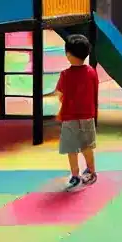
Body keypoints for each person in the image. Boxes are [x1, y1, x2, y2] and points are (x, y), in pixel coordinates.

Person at [46, 35, 100, 188]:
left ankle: (75, 175)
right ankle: (91, 170)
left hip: (69, 116)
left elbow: (60, 95)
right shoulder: (91, 72)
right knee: (87, 146)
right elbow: (94, 91)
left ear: (68, 55)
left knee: (71, 148)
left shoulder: (65, 75)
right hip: (87, 116)